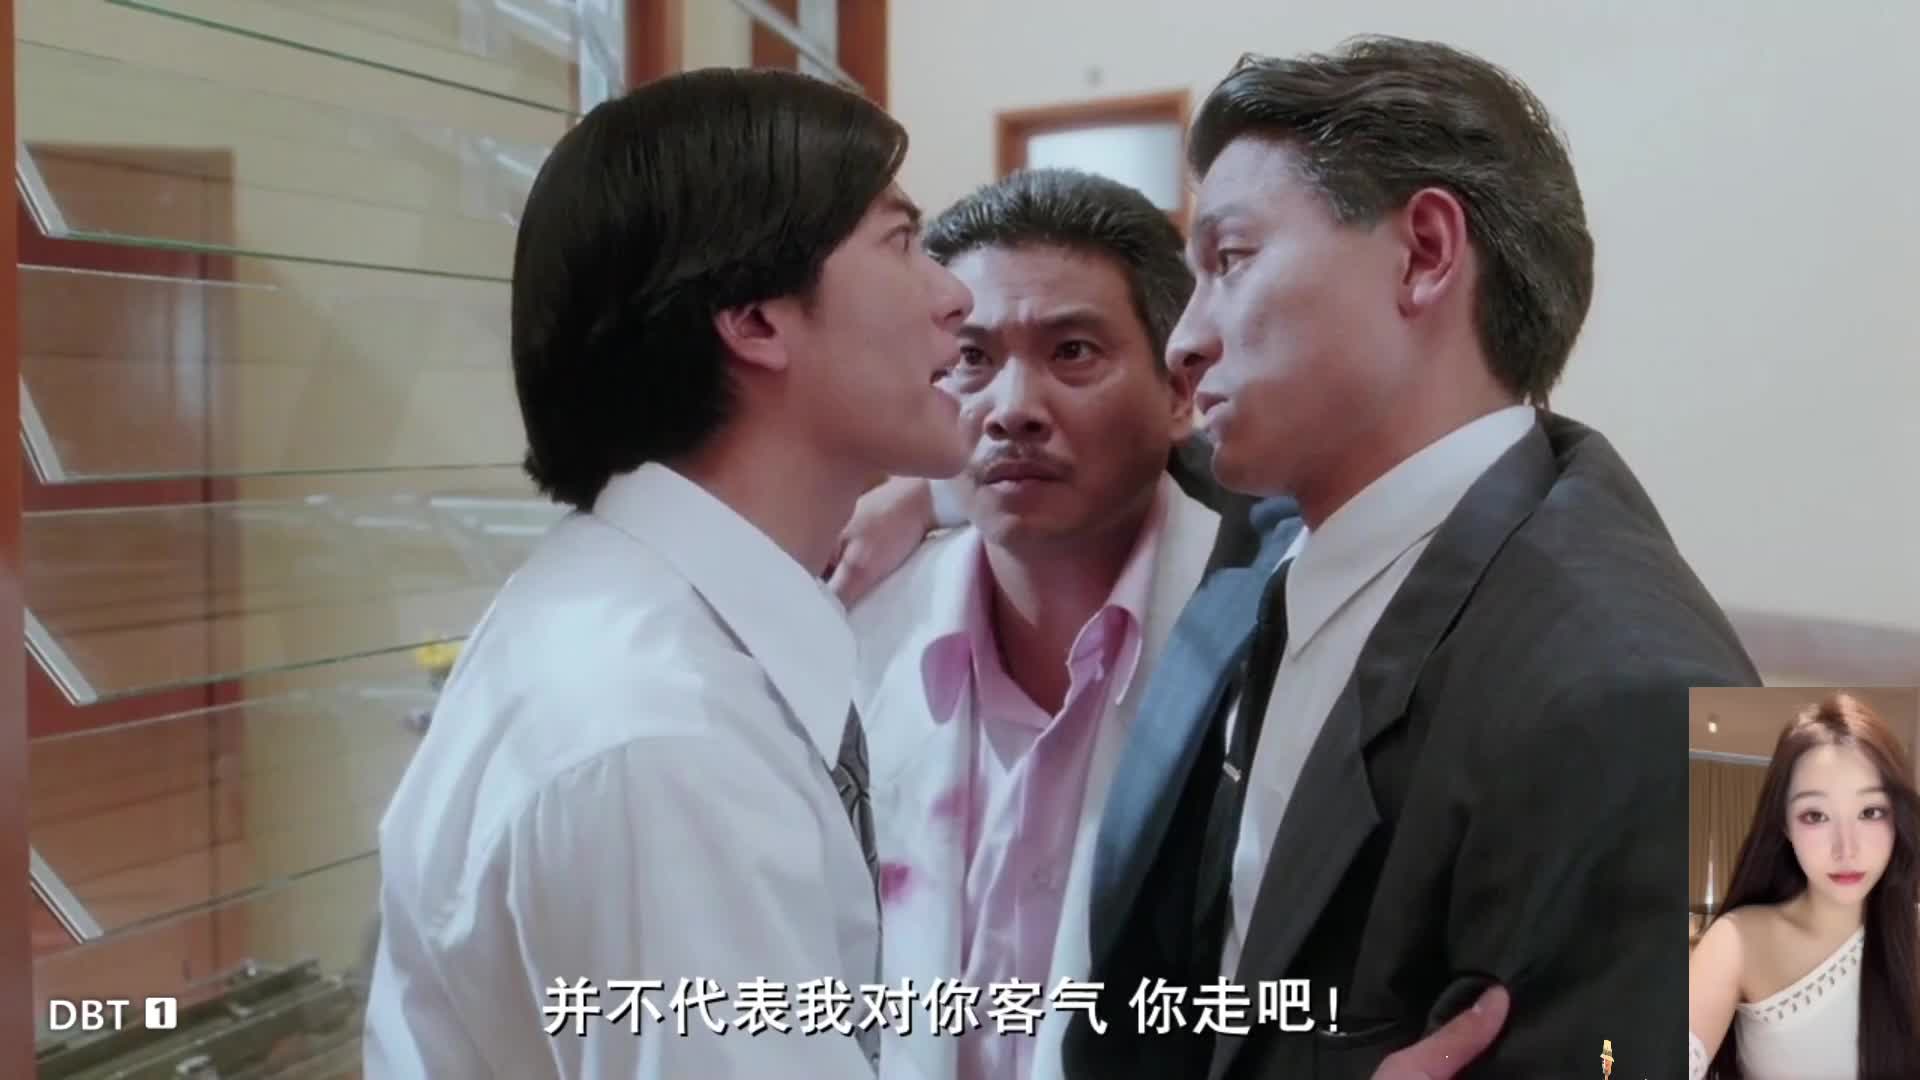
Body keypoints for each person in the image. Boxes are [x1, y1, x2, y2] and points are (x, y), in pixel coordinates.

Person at [838, 34, 1761, 1078]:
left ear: (1423, 253)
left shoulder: (1638, 698)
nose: (1185, 343)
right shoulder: (1285, 543)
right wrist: (922, 484)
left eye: (1230, 261)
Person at [362, 69, 973, 1079]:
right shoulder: (666, 740)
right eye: (901, 242)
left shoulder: (625, 610)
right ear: (754, 318)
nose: (955, 296)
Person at [846, 168, 1241, 1080]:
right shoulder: (858, 623)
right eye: (971, 359)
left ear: (1179, 391)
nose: (1013, 409)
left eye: (1072, 352)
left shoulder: (1265, 634)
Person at [1688, 692, 1920, 1080]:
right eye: (1815, 815)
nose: (1846, 849)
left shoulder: (1911, 935)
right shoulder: (1738, 941)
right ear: (1785, 825)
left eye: (1870, 812)